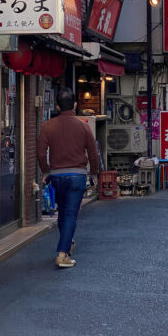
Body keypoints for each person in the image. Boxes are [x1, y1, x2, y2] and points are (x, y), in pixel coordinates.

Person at [37, 88, 99, 268]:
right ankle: (62, 254)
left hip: (56, 176)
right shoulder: (83, 125)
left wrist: (46, 171)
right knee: (71, 214)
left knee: (63, 213)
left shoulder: (47, 126)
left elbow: (41, 153)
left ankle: (68, 243)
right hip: (77, 176)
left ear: (57, 106)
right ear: (75, 105)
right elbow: (93, 153)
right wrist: (93, 173)